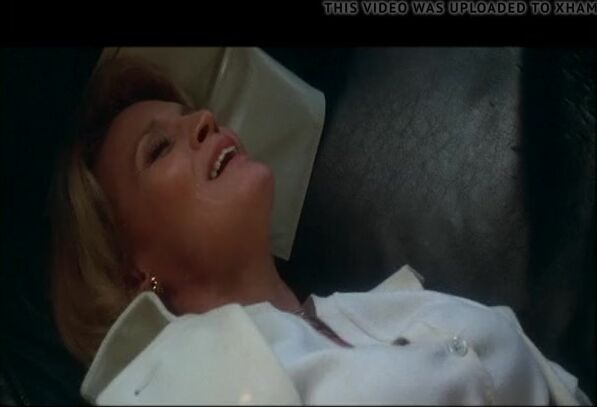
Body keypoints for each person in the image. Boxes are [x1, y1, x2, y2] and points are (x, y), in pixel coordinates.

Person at [49, 56, 590, 405]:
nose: (205, 120)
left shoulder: (383, 309)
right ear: (132, 273)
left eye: (192, 111)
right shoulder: (163, 389)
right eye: (159, 148)